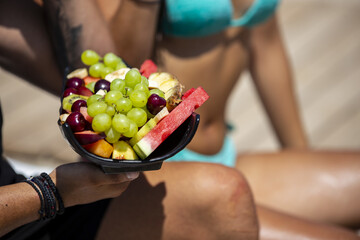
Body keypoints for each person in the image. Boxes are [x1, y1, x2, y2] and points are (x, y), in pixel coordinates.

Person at [0, 0, 359, 240]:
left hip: (227, 154)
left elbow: (265, 45)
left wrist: (298, 156)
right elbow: (111, 72)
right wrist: (52, 192)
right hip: (157, 168)